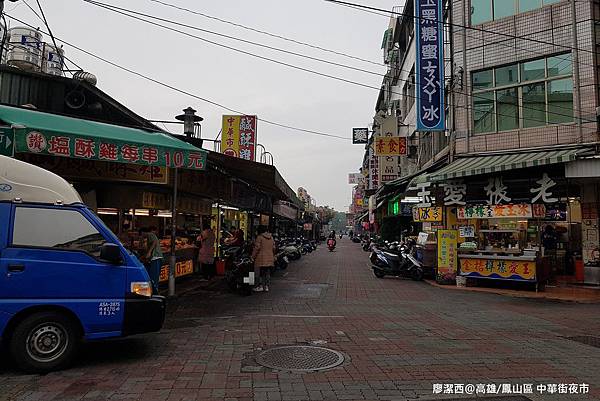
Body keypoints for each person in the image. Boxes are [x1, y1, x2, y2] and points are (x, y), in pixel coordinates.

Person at [252, 225, 275, 292]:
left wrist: (252, 257)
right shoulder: (271, 237)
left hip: (261, 258)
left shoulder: (259, 237)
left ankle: (260, 286)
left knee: (259, 273)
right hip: (269, 257)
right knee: (267, 272)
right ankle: (266, 286)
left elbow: (257, 248)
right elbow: (274, 248)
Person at [141, 226, 162, 294]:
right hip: (153, 258)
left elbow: (154, 242)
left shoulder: (150, 234)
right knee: (152, 277)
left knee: (153, 277)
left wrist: (149, 253)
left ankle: (154, 293)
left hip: (155, 258)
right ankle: (152, 291)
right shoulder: (148, 237)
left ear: (143, 232)